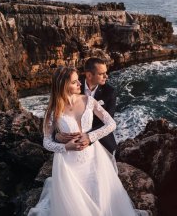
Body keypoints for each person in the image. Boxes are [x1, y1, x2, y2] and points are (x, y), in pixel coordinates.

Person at [28, 66, 137, 216]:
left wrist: (90, 136)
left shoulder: (89, 100)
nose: (80, 84)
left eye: (78, 80)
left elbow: (111, 124)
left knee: (99, 195)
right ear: (64, 85)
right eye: (74, 82)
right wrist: (66, 146)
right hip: (68, 164)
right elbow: (46, 142)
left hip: (93, 157)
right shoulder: (53, 111)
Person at [54, 58, 117, 155]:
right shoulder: (73, 87)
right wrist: (57, 135)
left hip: (102, 140)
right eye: (101, 74)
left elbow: (109, 120)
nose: (106, 76)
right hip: (73, 146)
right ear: (89, 75)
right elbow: (59, 115)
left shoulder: (110, 92)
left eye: (106, 72)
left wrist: (88, 136)